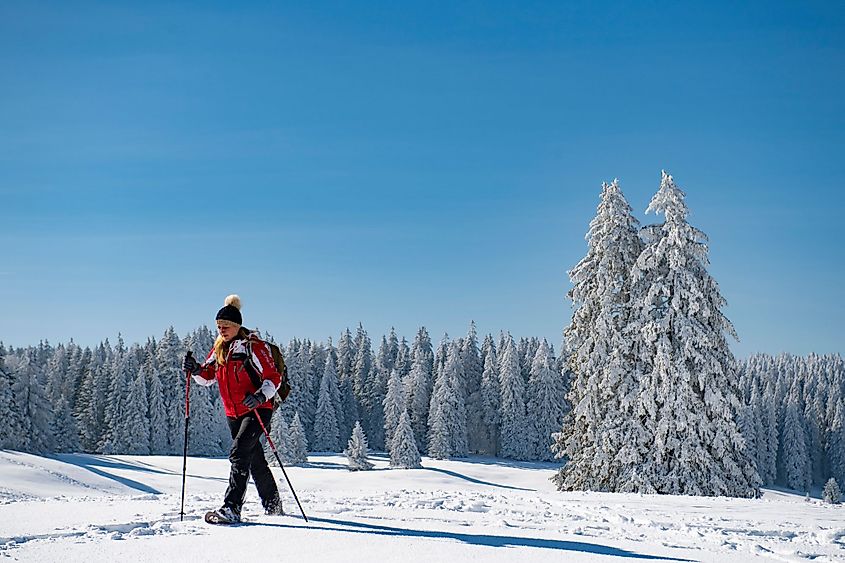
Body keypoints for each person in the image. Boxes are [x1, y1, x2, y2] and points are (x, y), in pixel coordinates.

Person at [182, 294, 283, 523]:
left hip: (258, 409)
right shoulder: (219, 348)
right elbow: (208, 376)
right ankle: (273, 506)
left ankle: (232, 508)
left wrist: (259, 396)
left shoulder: (253, 347)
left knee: (239, 453)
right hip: (233, 414)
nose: (222, 330)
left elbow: (273, 377)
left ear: (237, 325)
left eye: (226, 326)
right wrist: (196, 369)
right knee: (255, 459)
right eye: (219, 326)